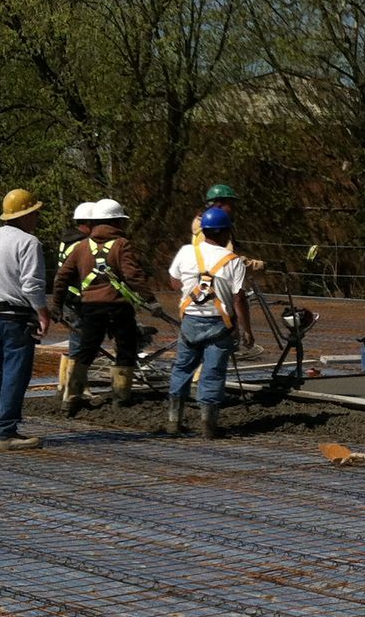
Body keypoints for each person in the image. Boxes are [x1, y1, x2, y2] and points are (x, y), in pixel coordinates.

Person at [51, 198, 153, 415]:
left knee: (86, 350)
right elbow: (133, 275)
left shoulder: (81, 247)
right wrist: (150, 299)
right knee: (125, 349)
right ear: (116, 222)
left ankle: (71, 397)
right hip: (118, 307)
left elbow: (61, 277)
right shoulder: (121, 245)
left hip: (90, 307)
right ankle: (120, 398)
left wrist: (56, 305)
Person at [0, 188, 52, 451]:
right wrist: (42, 312)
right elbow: (32, 284)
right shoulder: (29, 242)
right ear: (25, 214)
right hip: (15, 320)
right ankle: (5, 433)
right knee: (14, 375)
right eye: (35, 213)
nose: (37, 218)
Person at [167, 205, 254, 438]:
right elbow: (239, 298)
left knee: (182, 368)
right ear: (226, 232)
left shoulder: (186, 252)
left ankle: (174, 421)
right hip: (219, 325)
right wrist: (246, 329)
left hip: (190, 322)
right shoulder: (234, 261)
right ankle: (208, 425)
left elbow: (174, 282)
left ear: (203, 230)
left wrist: (192, 286)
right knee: (213, 372)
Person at [55, 201, 98, 406]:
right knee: (80, 345)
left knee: (76, 342)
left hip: (69, 299)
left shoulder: (67, 241)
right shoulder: (82, 244)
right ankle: (76, 389)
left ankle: (65, 385)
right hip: (77, 301)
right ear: (88, 223)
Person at [193, 183, 266, 273]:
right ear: (218, 205)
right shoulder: (211, 230)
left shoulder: (208, 227)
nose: (234, 209)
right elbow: (227, 262)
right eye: (231, 205)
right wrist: (259, 265)